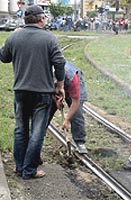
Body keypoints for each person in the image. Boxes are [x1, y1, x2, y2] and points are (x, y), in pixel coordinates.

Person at [0, 4, 66, 179]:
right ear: (41, 19)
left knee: (20, 130)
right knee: (37, 132)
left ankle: (20, 167)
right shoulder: (50, 39)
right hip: (42, 92)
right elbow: (60, 63)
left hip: (20, 91)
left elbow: (4, 57)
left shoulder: (15, 37)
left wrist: (11, 38)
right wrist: (59, 85)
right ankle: (29, 171)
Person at [48, 61, 88, 154]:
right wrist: (56, 100)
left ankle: (80, 142)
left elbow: (76, 102)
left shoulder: (72, 79)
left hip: (71, 83)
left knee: (77, 113)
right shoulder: (46, 74)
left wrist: (67, 120)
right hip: (57, 85)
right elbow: (49, 90)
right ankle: (38, 138)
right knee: (47, 110)